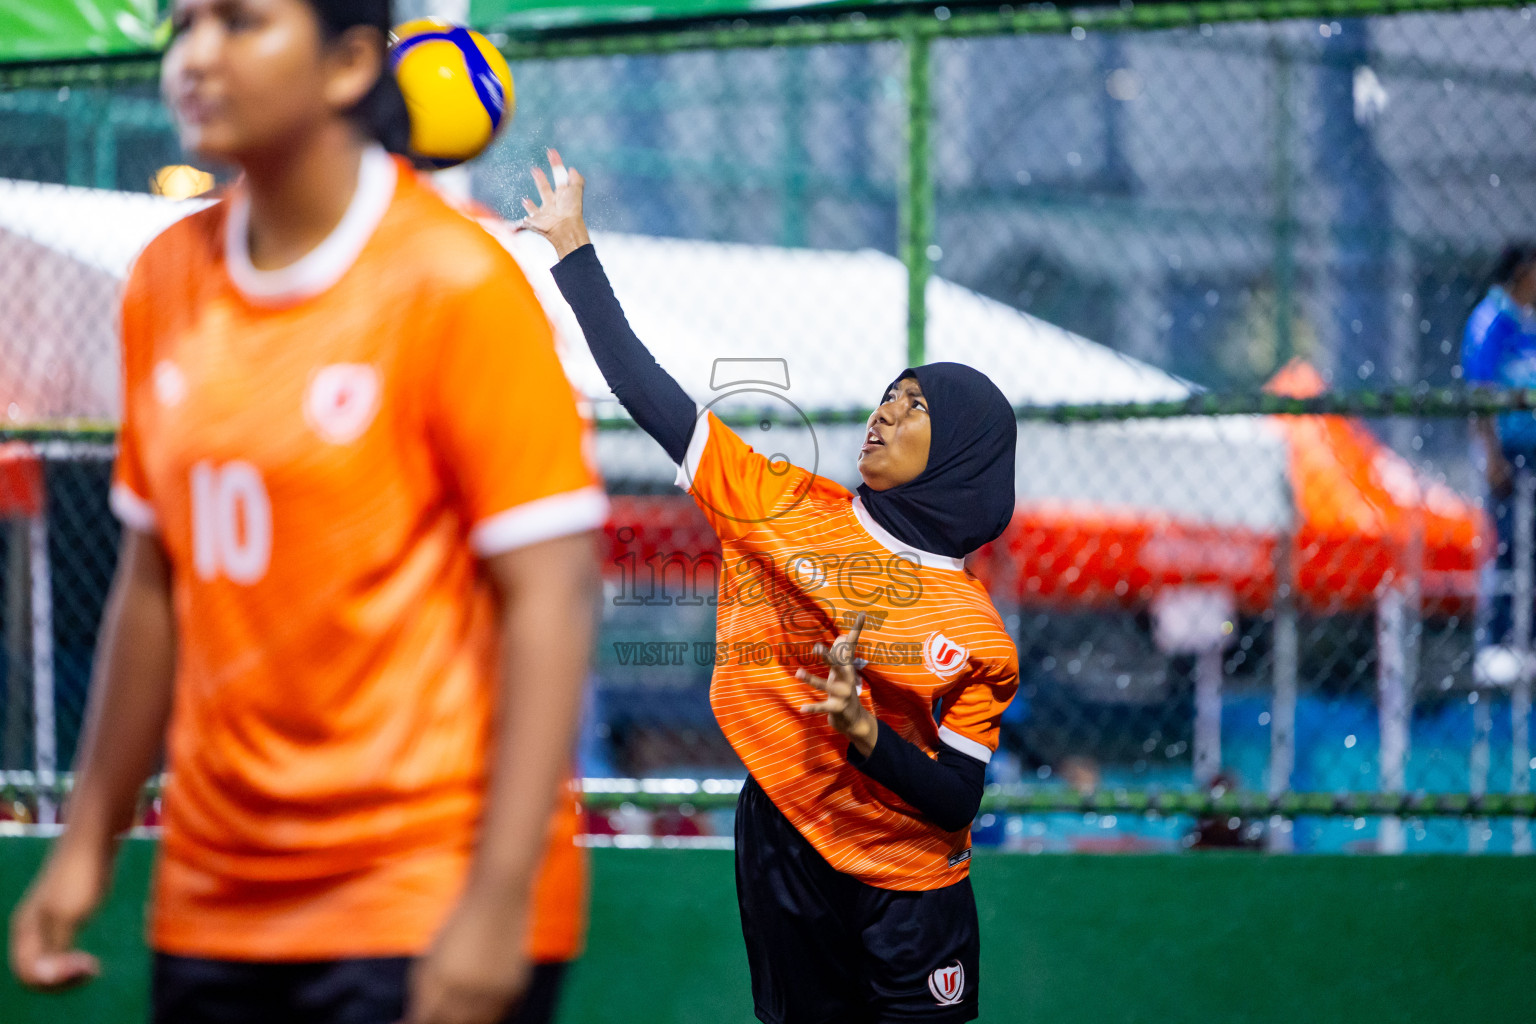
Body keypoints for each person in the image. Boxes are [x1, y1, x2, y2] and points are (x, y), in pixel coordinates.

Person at [6, 2, 606, 1023]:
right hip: (214, 903)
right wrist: (85, 841)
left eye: (239, 22)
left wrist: (498, 900)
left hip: (422, 891)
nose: (195, 55)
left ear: (352, 62)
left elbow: (554, 597)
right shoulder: (164, 281)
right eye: (181, 23)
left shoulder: (457, 282)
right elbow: (153, 584)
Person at [516, 151, 1019, 1024]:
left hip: (908, 887)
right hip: (784, 838)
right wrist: (573, 251)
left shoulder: (975, 634)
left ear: (962, 454)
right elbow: (646, 389)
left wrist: (866, 733)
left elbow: (958, 797)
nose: (883, 416)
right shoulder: (776, 502)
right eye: (886, 398)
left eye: (913, 409)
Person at [1462, 243, 1536, 667]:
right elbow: (1480, 392)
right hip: (1507, 450)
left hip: (1531, 447)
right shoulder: (1492, 321)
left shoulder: (1527, 322)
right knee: (1507, 542)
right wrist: (1491, 456)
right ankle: (1499, 643)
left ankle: (1527, 640)